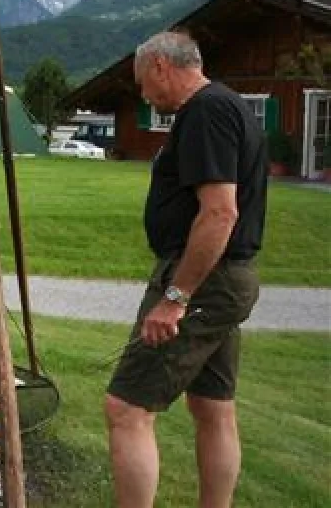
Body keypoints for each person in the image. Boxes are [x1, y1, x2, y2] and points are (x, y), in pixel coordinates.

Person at [105, 31, 268, 508]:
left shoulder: (205, 111)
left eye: (142, 82)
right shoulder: (231, 105)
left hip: (204, 281)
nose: (143, 94)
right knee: (212, 406)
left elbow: (220, 212)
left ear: (160, 65)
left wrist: (175, 298)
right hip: (227, 278)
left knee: (127, 409)